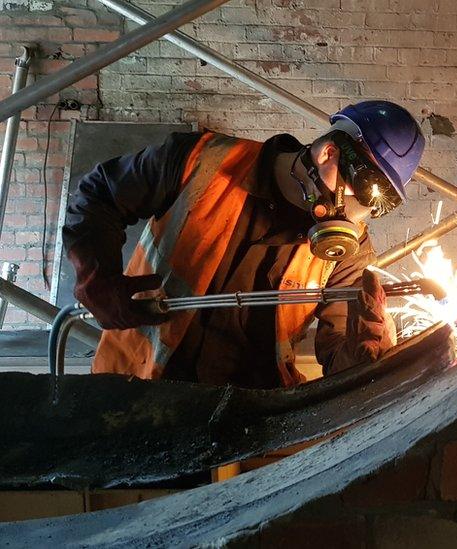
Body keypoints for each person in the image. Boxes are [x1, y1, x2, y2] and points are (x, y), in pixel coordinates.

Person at [62, 100, 425, 389]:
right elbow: (99, 193)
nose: (357, 218)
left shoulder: (352, 254)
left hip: (251, 420)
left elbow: (338, 357)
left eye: (378, 206)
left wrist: (360, 358)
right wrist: (97, 278)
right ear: (329, 153)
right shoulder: (200, 162)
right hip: (135, 389)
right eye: (364, 191)